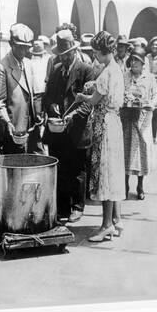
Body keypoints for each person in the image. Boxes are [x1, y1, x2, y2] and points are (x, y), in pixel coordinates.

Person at [75, 31, 125, 242]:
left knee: (104, 173)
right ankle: (116, 220)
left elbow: (94, 101)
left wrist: (81, 96)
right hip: (114, 122)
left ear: (103, 52)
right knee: (112, 173)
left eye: (96, 52)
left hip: (104, 124)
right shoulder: (116, 69)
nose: (94, 56)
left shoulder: (105, 73)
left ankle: (106, 225)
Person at [43, 29, 94, 223]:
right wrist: (51, 107)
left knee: (77, 170)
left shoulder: (86, 70)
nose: (63, 59)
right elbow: (47, 96)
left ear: (73, 51)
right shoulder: (56, 70)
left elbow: (89, 103)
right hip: (58, 131)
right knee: (61, 169)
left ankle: (77, 207)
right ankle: (62, 207)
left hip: (77, 130)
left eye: (66, 55)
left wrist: (71, 116)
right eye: (60, 56)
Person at [121, 47, 157, 200]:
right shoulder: (125, 76)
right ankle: (124, 185)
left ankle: (140, 186)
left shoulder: (150, 78)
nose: (134, 64)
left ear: (143, 63)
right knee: (125, 151)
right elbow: (121, 93)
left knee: (140, 152)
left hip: (143, 120)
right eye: (132, 61)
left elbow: (156, 96)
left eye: (137, 61)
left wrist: (151, 103)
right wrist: (125, 98)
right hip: (127, 118)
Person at [0, 23, 38, 154]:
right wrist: (8, 123)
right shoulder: (2, 66)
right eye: (20, 47)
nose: (24, 51)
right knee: (15, 169)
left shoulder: (28, 64)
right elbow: (0, 102)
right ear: (11, 44)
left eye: (26, 48)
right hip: (14, 129)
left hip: (31, 127)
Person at [26, 39, 51, 154]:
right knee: (38, 120)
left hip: (38, 94)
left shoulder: (42, 61)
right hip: (38, 94)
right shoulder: (31, 63)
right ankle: (37, 147)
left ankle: (38, 146)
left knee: (39, 120)